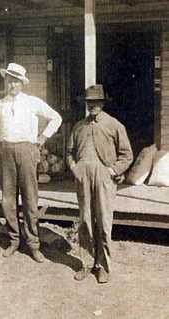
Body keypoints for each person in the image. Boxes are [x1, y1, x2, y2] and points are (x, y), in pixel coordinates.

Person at [0, 63, 62, 262]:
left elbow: (55, 118)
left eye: (16, 81)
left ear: (22, 83)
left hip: (27, 150)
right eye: (9, 80)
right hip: (6, 151)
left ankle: (33, 244)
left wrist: (42, 138)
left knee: (30, 199)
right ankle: (14, 240)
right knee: (8, 199)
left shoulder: (32, 102)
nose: (12, 84)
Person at [67, 84, 133, 284]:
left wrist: (112, 171)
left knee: (104, 222)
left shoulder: (114, 125)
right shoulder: (79, 126)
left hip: (104, 177)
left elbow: (127, 155)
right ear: (86, 104)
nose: (93, 106)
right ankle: (86, 263)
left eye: (96, 102)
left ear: (102, 103)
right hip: (83, 176)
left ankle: (103, 267)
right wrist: (75, 168)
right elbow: (69, 153)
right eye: (89, 102)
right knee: (85, 220)